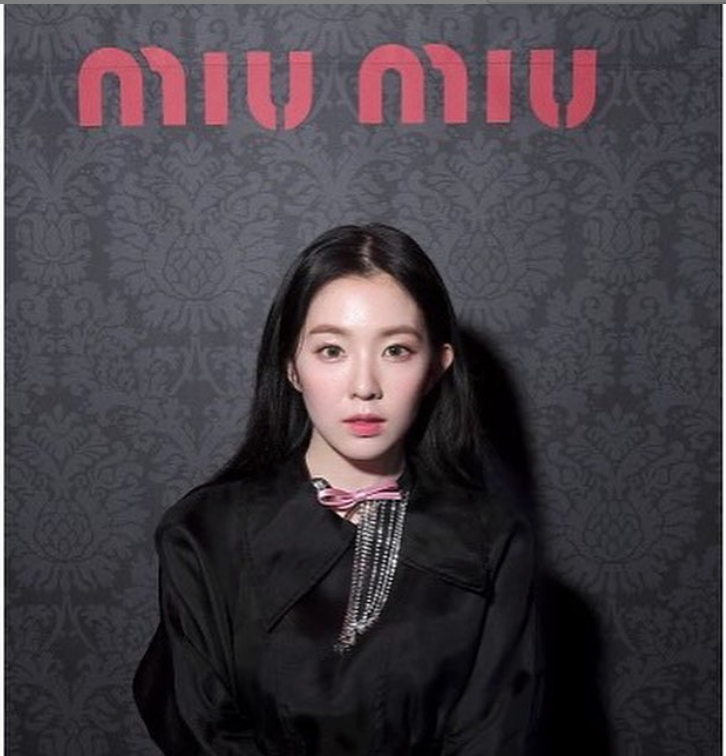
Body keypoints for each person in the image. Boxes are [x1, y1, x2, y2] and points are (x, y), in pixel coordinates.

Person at [133, 223, 541, 755]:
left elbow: (494, 735)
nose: (364, 386)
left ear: (437, 367)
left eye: (396, 350)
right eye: (331, 350)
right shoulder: (204, 534)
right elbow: (199, 726)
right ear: (291, 366)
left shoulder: (493, 541)